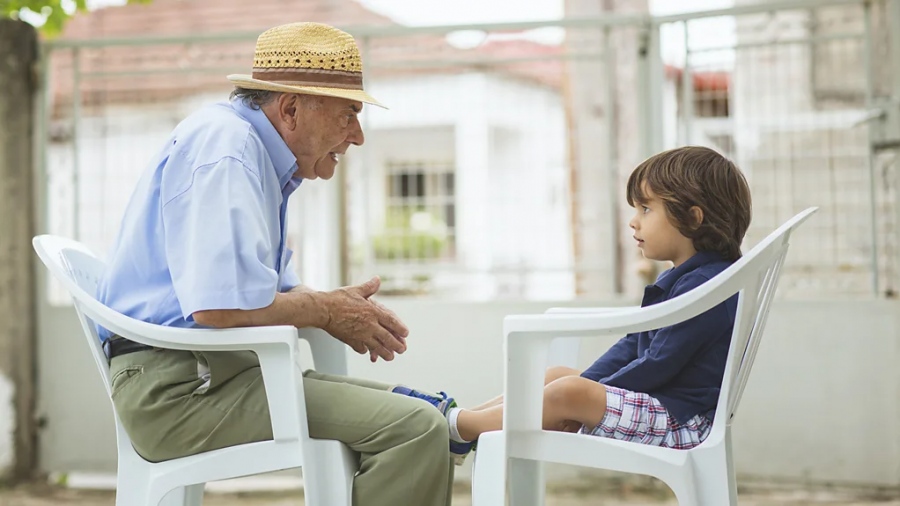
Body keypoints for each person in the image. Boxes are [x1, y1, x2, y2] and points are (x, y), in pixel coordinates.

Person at [97, 22, 457, 506]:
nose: (357, 136)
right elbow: (220, 308)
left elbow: (274, 294)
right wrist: (326, 310)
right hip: (182, 392)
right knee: (415, 429)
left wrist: (335, 306)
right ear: (290, 109)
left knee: (421, 414)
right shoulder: (229, 149)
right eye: (349, 114)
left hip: (217, 376)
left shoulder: (251, 153)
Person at [440, 146, 753, 457]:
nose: (634, 222)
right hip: (662, 408)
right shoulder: (685, 279)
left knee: (571, 391)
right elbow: (633, 345)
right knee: (559, 377)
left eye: (646, 209)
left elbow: (658, 363)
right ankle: (467, 419)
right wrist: (589, 387)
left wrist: (585, 399)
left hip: (683, 422)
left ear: (693, 218)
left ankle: (461, 427)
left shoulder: (707, 286)